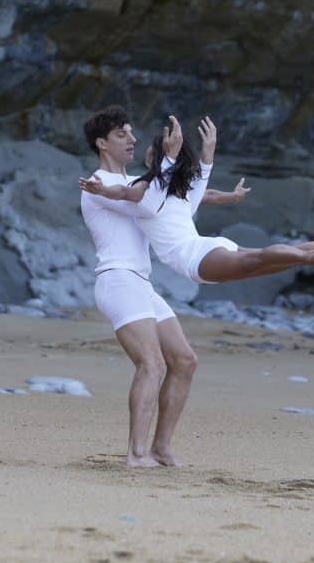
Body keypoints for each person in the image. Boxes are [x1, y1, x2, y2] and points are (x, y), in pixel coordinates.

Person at [79, 106, 245, 468]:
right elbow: (150, 196)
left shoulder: (136, 183)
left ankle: (160, 448)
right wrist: (169, 158)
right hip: (118, 280)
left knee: (184, 361)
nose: (133, 139)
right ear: (101, 143)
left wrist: (211, 170)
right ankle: (136, 454)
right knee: (151, 364)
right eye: (122, 134)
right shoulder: (98, 186)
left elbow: (172, 193)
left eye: (132, 133)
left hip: (141, 284)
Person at [79, 115, 314, 285]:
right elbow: (205, 192)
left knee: (263, 258)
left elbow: (127, 192)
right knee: (271, 260)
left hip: (194, 259)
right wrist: (213, 164)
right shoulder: (178, 191)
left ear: (157, 157)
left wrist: (101, 190)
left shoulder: (148, 188)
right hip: (209, 246)